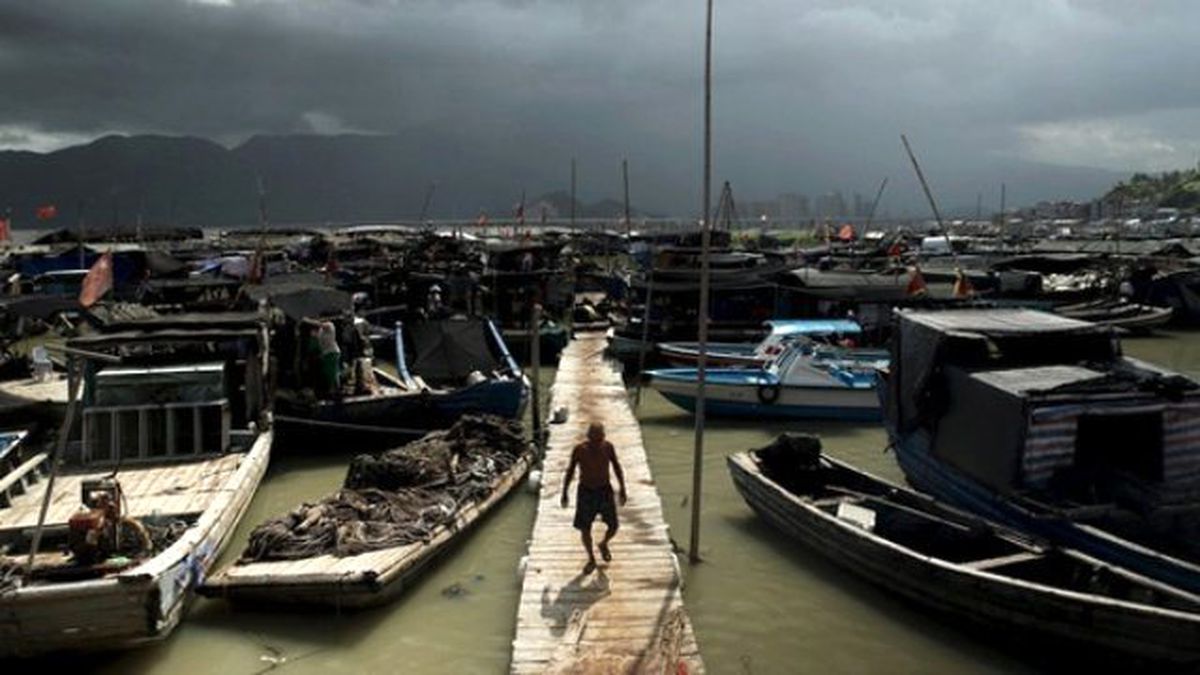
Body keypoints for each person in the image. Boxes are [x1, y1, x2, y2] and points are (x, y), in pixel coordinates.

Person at [561, 422, 627, 574]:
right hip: (586, 491)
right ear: (589, 437)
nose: (597, 442)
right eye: (594, 439)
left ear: (603, 437)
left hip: (604, 490)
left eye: (600, 439)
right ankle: (591, 558)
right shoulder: (580, 450)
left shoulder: (608, 447)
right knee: (585, 528)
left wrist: (622, 488)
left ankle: (603, 543)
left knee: (613, 525)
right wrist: (564, 492)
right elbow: (570, 471)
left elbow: (617, 467)